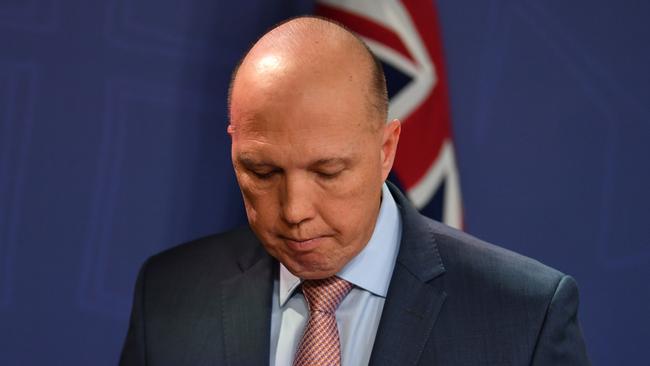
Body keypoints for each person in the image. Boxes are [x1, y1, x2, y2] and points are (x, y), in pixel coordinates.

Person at [120, 16, 590, 366]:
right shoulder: (169, 294)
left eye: (327, 171)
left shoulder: (525, 317)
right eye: (262, 171)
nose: (295, 211)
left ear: (386, 149)